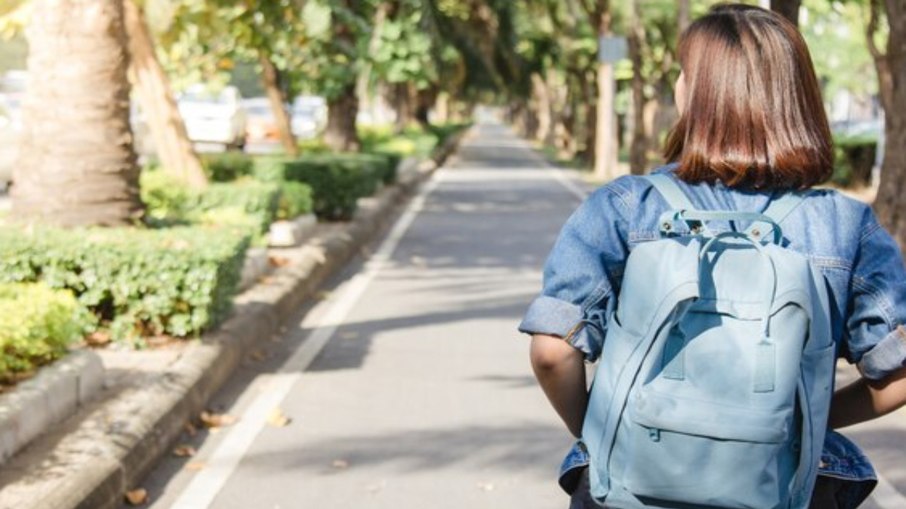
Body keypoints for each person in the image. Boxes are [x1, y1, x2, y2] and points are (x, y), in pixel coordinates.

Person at [518, 4, 906, 508]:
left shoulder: (626, 205)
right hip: (781, 486)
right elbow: (898, 374)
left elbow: (553, 351)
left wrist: (606, 426)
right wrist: (801, 417)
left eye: (683, 73)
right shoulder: (844, 224)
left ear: (696, 95)